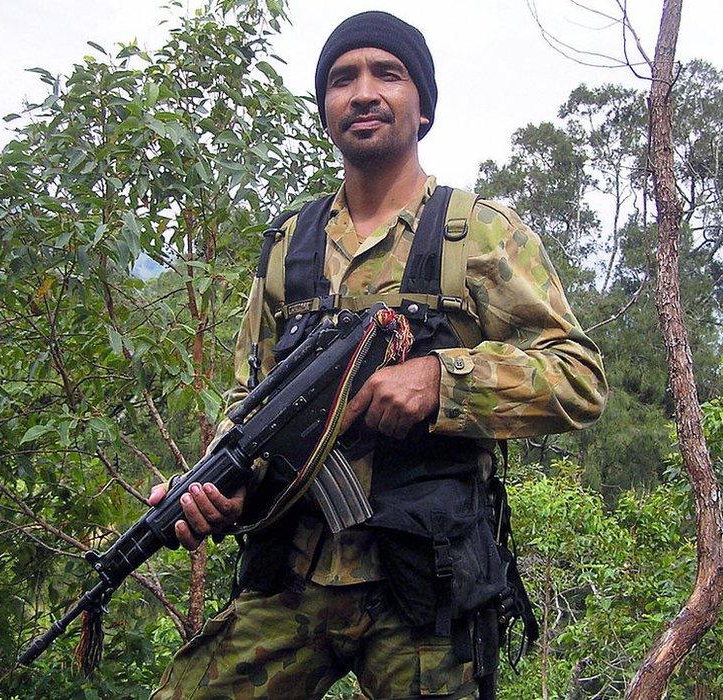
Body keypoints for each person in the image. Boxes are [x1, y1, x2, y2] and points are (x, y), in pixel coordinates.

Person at [149, 10, 607, 699]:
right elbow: (247, 398)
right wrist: (222, 481)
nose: (363, 92)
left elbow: (578, 377)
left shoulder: (477, 234)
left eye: (386, 74)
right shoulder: (289, 245)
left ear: (421, 107)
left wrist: (442, 380)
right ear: (326, 110)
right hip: (292, 575)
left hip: (423, 588)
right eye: (342, 79)